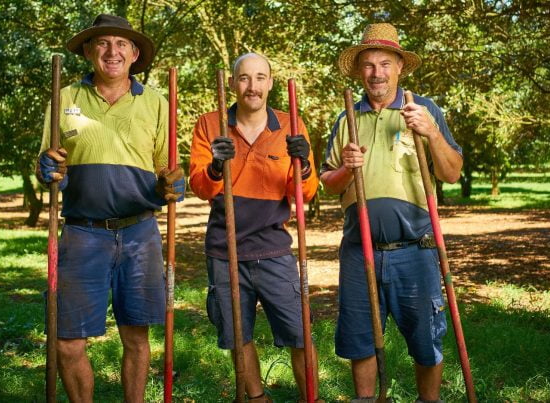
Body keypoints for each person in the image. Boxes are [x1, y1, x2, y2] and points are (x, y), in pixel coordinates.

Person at [35, 14, 184, 403]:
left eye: (121, 44)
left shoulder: (156, 102)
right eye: (102, 43)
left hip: (140, 234)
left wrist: (173, 183)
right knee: (67, 342)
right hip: (82, 233)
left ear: (134, 54)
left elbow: (167, 169)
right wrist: (49, 169)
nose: (112, 52)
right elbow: (48, 165)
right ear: (88, 51)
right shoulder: (65, 97)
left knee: (136, 337)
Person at [320, 23, 463, 403]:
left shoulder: (423, 109)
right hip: (359, 249)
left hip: (416, 249)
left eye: (385, 63)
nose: (376, 73)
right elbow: (327, 183)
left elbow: (451, 172)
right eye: (368, 65)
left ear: (399, 67)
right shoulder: (346, 118)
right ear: (359, 72)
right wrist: (344, 169)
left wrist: (431, 133)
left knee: (425, 340)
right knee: (360, 339)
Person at [189, 52, 321, 402]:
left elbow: (306, 193)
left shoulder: (291, 124)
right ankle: (257, 397)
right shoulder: (210, 124)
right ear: (232, 83)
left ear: (271, 83)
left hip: (274, 248)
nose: (252, 86)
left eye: (260, 77)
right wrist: (217, 167)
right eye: (244, 78)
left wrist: (304, 164)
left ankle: (312, 398)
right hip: (225, 248)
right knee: (238, 334)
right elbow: (199, 187)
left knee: (300, 333)